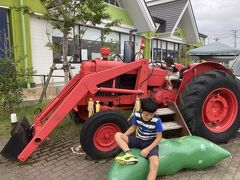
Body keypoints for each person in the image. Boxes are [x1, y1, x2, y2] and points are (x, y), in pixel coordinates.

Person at [114, 97, 163, 180]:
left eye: (152, 114)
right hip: (139, 140)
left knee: (155, 164)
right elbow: (133, 128)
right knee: (118, 135)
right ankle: (129, 154)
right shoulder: (136, 115)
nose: (149, 116)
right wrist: (124, 136)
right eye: (147, 114)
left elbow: (159, 138)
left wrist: (147, 149)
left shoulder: (157, 120)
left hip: (150, 143)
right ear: (141, 110)